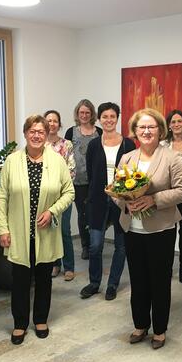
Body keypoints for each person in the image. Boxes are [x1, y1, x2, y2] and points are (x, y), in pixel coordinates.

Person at [0, 115, 74, 345]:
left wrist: (52, 211)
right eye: (32, 131)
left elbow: (69, 192)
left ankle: (40, 319)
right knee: (19, 280)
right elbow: (2, 197)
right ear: (25, 133)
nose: (37, 135)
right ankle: (19, 323)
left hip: (45, 231)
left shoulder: (57, 161)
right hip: (19, 233)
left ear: (46, 133)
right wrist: (2, 229)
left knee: (43, 279)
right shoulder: (12, 161)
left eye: (41, 131)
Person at [116, 109, 182, 349]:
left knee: (159, 281)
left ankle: (159, 329)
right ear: (135, 131)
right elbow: (116, 191)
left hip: (161, 229)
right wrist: (126, 201)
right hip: (132, 228)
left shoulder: (172, 157)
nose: (146, 131)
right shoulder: (127, 158)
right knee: (137, 280)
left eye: (152, 127)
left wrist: (153, 199)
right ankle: (140, 325)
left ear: (160, 130)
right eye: (142, 128)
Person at [80, 102, 135, 301]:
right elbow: (91, 173)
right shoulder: (94, 144)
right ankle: (94, 283)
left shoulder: (129, 144)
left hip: (122, 202)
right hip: (98, 200)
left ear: (117, 118)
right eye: (105, 117)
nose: (109, 120)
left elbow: (133, 173)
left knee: (121, 246)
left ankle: (112, 284)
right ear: (99, 119)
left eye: (112, 116)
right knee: (95, 245)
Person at [65, 100, 102, 260]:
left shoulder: (99, 132)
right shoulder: (70, 132)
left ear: (92, 114)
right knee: (83, 214)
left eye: (87, 112)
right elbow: (65, 156)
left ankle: (96, 244)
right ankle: (86, 246)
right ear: (77, 114)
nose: (85, 115)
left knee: (97, 213)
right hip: (78, 181)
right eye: (82, 112)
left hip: (97, 181)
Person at [160, 109, 182, 283]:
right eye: (173, 122)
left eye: (180, 121)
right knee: (169, 233)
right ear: (169, 126)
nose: (177, 124)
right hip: (169, 195)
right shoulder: (164, 145)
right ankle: (168, 267)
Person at [45, 109, 76, 281]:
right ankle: (55, 264)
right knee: (51, 231)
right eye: (48, 120)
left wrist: (58, 186)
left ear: (59, 124)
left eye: (55, 121)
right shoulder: (40, 145)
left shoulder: (66, 145)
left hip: (63, 194)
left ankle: (69, 266)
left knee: (64, 230)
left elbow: (71, 170)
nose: (52, 123)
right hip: (45, 195)